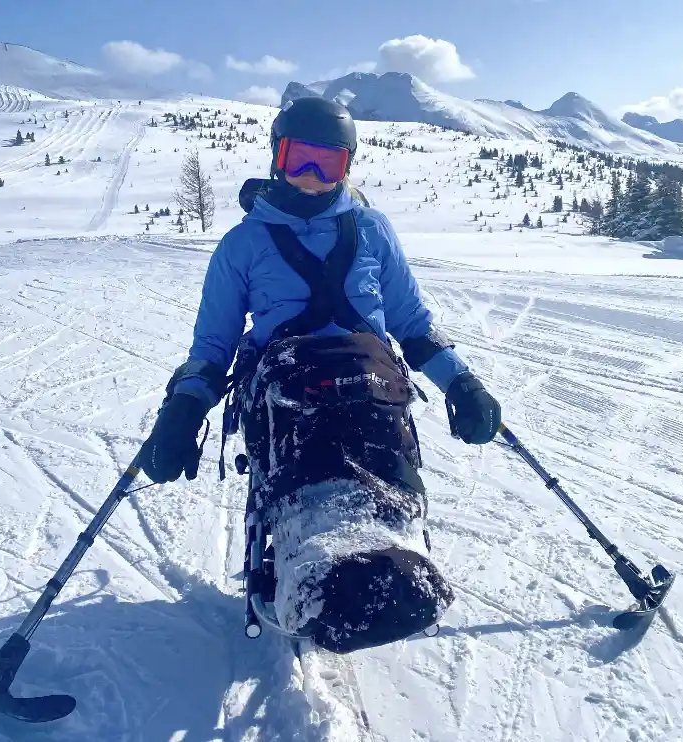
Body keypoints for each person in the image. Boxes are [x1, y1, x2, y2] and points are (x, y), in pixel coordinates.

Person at [141, 97, 502, 652]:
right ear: (276, 157)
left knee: (377, 423)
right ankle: (314, 554)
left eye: (326, 164)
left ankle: (387, 547)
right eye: (299, 160)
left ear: (348, 167)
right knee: (302, 446)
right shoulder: (242, 245)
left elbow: (411, 321)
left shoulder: (372, 230)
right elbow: (212, 346)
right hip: (287, 396)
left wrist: (461, 381)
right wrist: (183, 410)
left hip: (371, 387)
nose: (311, 178)